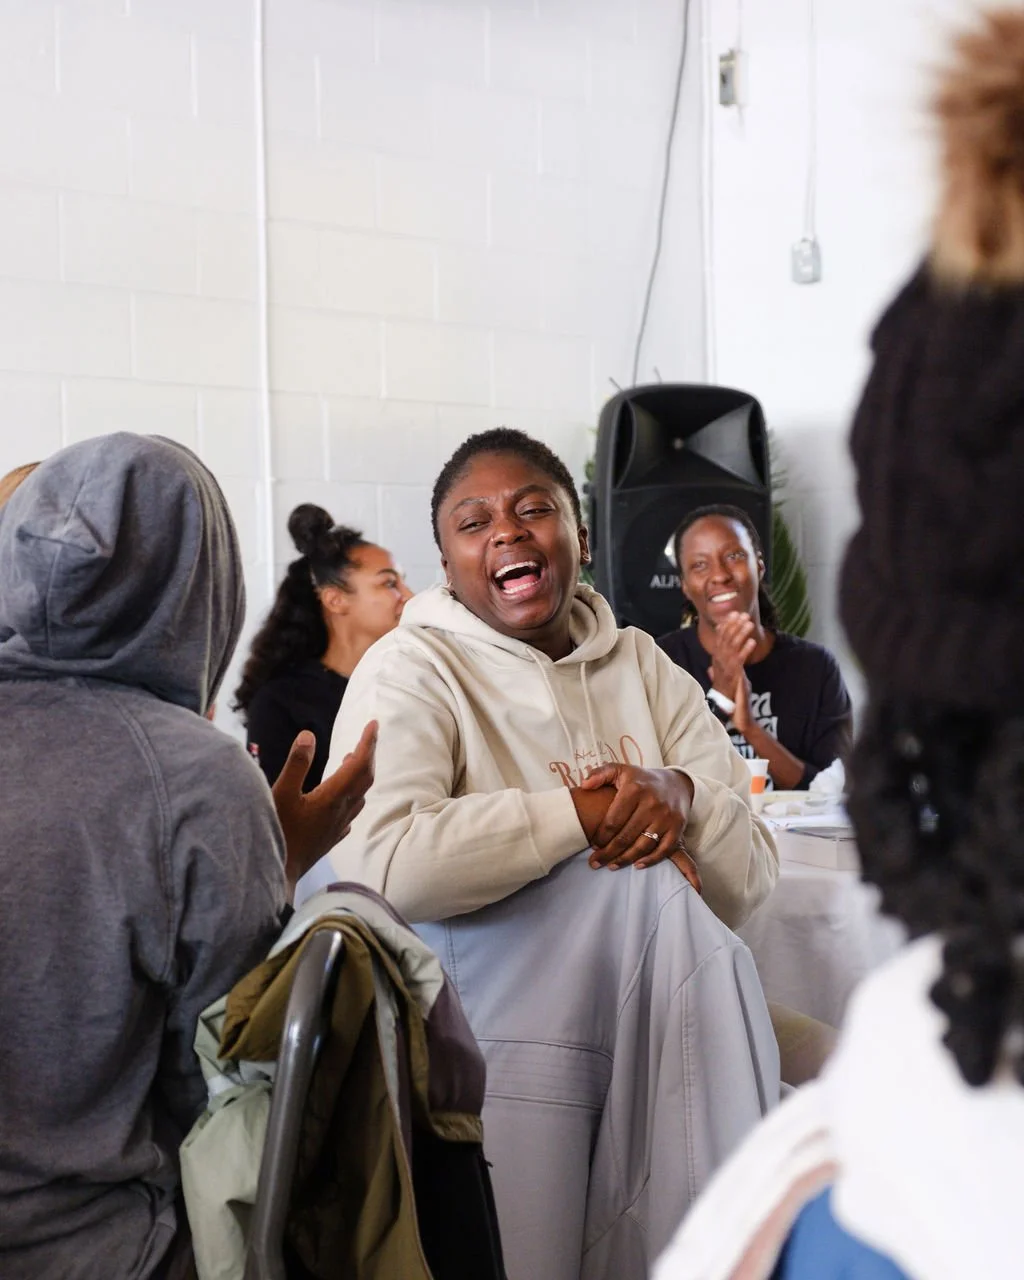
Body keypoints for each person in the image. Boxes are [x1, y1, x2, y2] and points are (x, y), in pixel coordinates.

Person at [654, 12, 1024, 1277]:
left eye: (732, 562)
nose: (717, 579)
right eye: (696, 567)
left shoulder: (845, 1194)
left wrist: (753, 712)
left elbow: (812, 774)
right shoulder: (652, 671)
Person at [325, 428, 781, 1278]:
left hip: (656, 990)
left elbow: (751, 883)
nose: (507, 532)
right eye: (475, 523)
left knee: (857, 1073)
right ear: (448, 562)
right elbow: (382, 865)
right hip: (489, 1020)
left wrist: (682, 797)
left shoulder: (642, 664)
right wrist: (583, 812)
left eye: (536, 509)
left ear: (582, 538)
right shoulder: (409, 668)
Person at [0, 434, 375, 1280]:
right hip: (101, 1247)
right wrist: (269, 865)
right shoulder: (196, 780)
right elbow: (227, 1080)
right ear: (206, 585)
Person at [659, 505, 852, 790]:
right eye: (700, 564)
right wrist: (721, 699)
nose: (720, 575)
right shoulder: (661, 662)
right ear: (685, 586)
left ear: (758, 566)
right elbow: (661, 779)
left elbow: (831, 789)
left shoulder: (815, 667)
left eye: (734, 556)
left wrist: (750, 728)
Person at [235, 503, 410, 791]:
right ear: (335, 600)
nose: (408, 595)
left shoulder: (408, 680)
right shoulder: (280, 703)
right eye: (389, 583)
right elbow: (280, 822)